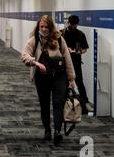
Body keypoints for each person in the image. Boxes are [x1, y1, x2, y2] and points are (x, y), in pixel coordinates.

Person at [21, 15, 76, 146]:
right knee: (44, 104)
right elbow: (24, 55)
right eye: (42, 27)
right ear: (38, 26)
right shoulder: (34, 40)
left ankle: (57, 131)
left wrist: (71, 78)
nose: (44, 29)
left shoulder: (59, 39)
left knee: (58, 103)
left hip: (59, 76)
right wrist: (35, 63)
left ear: (51, 27)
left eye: (47, 27)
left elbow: (67, 58)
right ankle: (47, 130)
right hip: (42, 77)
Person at [61, 15, 93, 114]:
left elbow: (85, 49)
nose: (73, 27)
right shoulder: (61, 33)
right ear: (68, 23)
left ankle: (86, 103)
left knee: (79, 82)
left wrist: (78, 51)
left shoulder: (80, 34)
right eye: (72, 25)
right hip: (63, 62)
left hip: (76, 61)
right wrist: (66, 51)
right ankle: (64, 104)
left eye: (75, 25)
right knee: (63, 83)